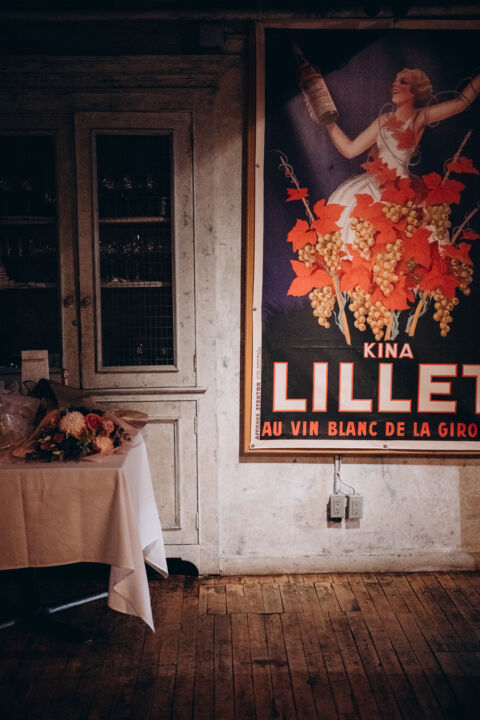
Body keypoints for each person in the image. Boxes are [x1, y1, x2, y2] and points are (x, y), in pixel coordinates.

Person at [325, 68, 480, 246]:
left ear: (414, 91)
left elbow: (461, 103)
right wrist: (328, 122)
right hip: (375, 184)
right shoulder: (383, 120)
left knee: (410, 239)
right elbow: (350, 150)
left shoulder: (419, 117)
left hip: (404, 189)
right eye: (395, 81)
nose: (395, 85)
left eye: (403, 82)